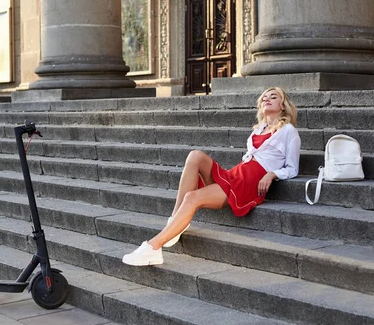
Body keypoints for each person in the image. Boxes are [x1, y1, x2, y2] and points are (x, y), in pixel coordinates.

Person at [122, 87, 301, 266]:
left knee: (192, 197)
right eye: (264, 98)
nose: (266, 100)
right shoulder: (257, 130)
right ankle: (175, 221)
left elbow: (292, 168)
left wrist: (272, 174)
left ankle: (153, 248)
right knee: (195, 155)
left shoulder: (288, 131)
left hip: (248, 184)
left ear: (283, 106)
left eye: (273, 97)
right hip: (237, 175)